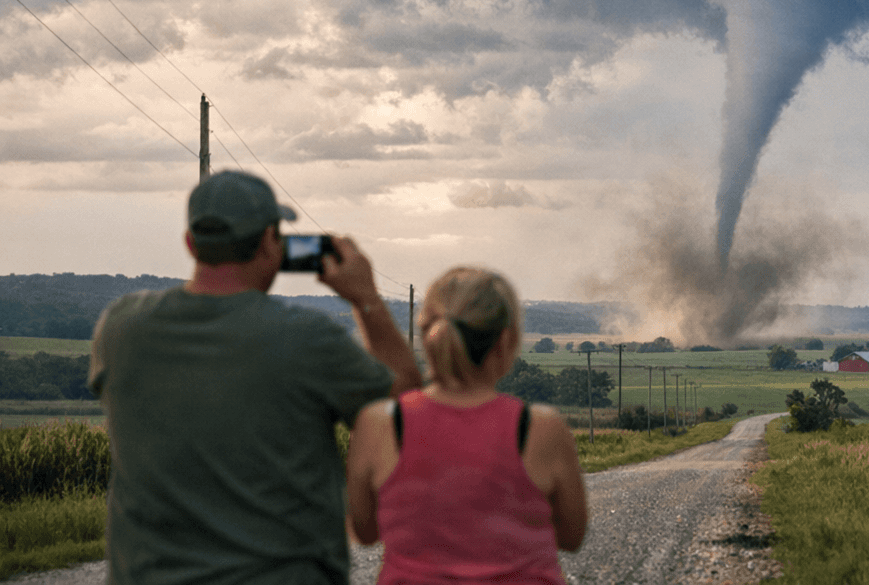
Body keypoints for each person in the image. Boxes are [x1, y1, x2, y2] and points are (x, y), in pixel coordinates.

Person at [89, 170, 423, 584]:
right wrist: (366, 298)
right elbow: (406, 406)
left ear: (191, 243)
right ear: (271, 242)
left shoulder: (121, 327)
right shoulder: (305, 337)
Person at [346, 266, 588, 584]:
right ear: (506, 341)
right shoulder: (541, 428)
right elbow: (571, 537)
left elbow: (363, 532)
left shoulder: (380, 425)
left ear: (427, 335)